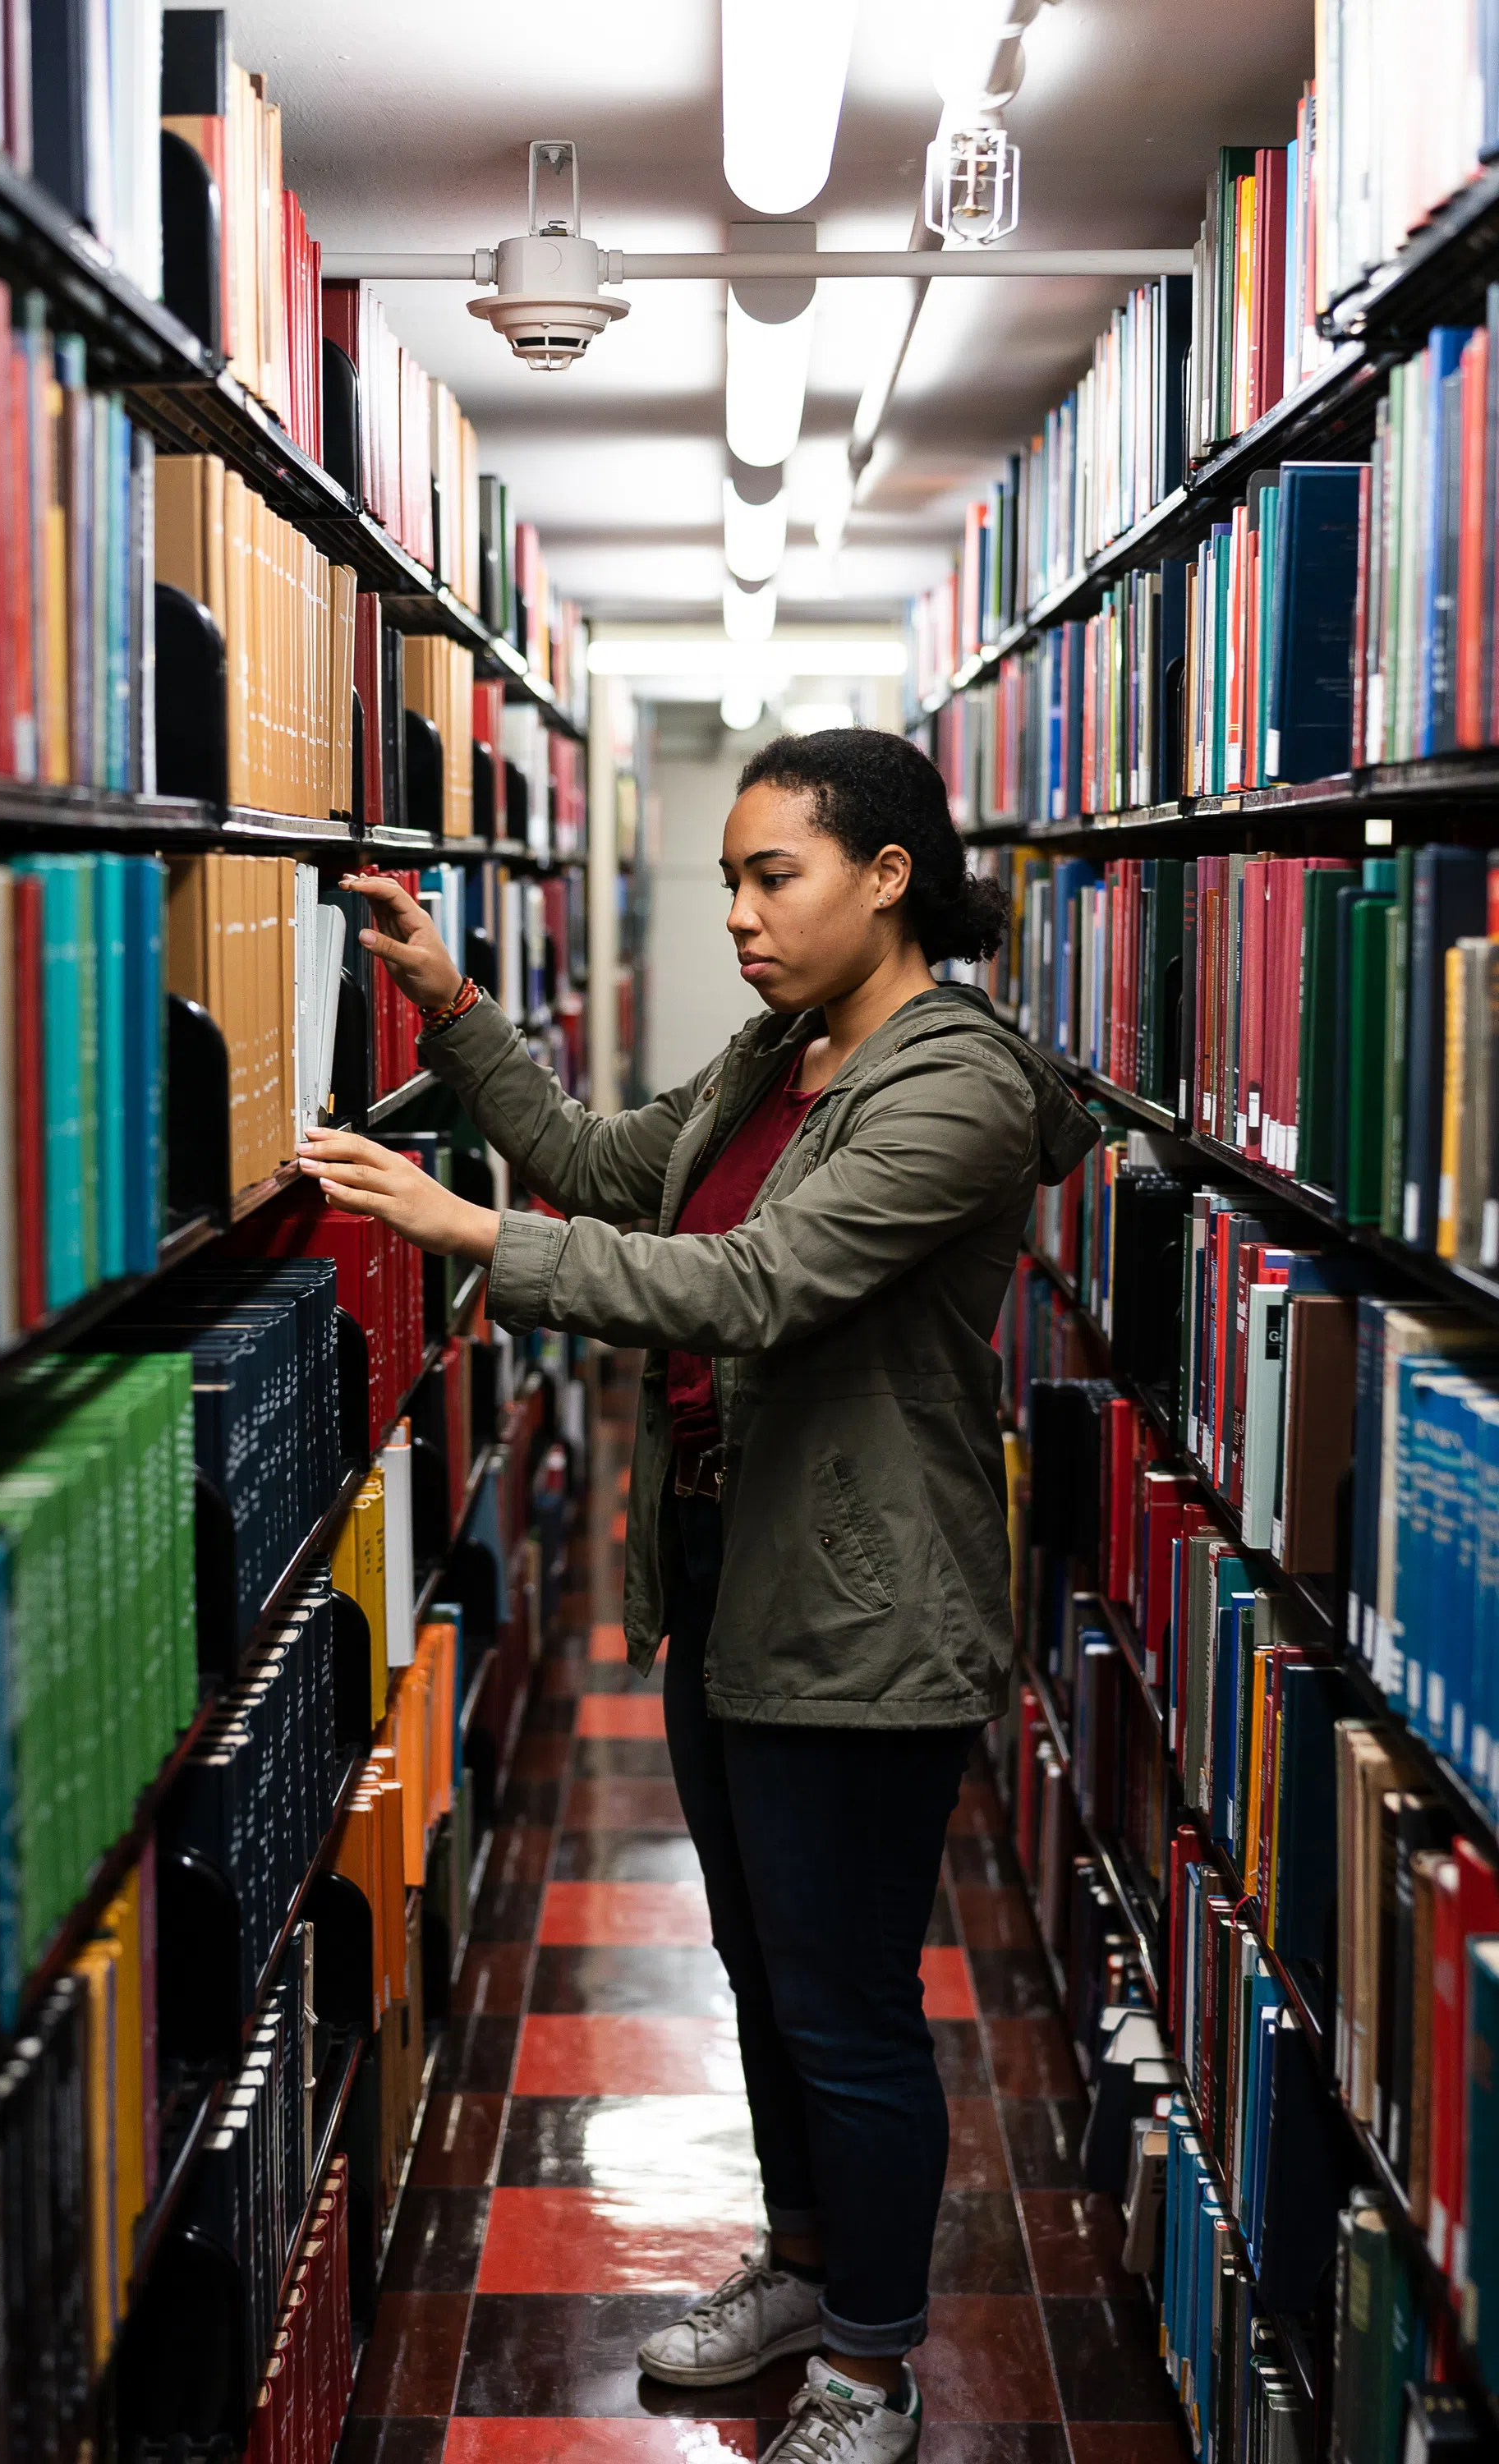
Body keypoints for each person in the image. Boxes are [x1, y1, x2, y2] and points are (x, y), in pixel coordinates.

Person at [297, 726, 1098, 2464]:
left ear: (888, 879)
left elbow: (754, 1285)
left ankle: (873, 2368)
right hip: (734, 1581)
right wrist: (449, 1005)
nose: (738, 913)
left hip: (865, 1608)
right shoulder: (778, 1056)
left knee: (848, 2003)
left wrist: (464, 1238)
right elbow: (601, 1168)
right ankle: (805, 2269)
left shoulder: (952, 1087)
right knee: (760, 1964)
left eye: (771, 876)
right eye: (728, 879)